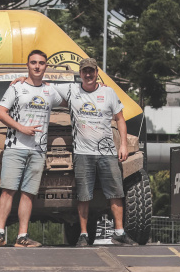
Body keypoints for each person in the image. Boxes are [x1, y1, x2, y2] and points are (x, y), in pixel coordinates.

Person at [51, 58, 134, 246]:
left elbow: (120, 119)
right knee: (84, 195)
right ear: (80, 74)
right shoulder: (72, 89)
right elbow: (44, 85)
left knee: (115, 192)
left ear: (97, 72)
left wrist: (123, 145)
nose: (88, 74)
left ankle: (119, 232)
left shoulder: (108, 92)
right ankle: (83, 234)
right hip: (82, 152)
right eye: (84, 71)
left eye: (91, 71)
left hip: (107, 152)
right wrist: (22, 80)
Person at [0, 50, 65, 248]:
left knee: (28, 193)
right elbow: (0, 112)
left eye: (41, 63)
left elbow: (74, 95)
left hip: (38, 150)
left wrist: (98, 88)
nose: (37, 66)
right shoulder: (16, 87)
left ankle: (22, 236)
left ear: (46, 66)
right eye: (33, 63)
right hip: (16, 147)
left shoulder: (50, 91)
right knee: (8, 191)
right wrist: (21, 128)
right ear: (27, 65)